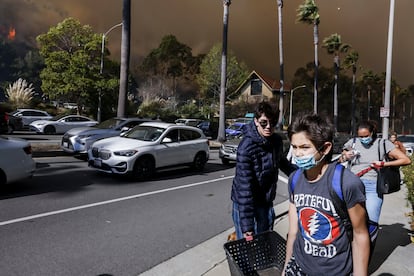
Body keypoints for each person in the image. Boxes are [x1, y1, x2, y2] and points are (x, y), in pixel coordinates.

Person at [283, 113, 370, 276]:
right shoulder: (294, 179)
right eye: (294, 147)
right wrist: (286, 268)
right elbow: (293, 231)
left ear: (325, 148)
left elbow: (360, 235)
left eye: (305, 147)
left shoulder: (347, 183)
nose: (298, 154)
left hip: (335, 271)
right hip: (299, 267)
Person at [231, 101, 297, 240]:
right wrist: (247, 226)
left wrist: (303, 175)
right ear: (255, 121)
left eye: (272, 123)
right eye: (264, 123)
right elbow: (244, 189)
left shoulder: (276, 141)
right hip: (246, 204)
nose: (268, 127)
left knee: (265, 240)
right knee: (247, 246)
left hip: (266, 201)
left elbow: (283, 163)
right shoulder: (246, 147)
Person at [338, 121, 411, 247]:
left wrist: (383, 164)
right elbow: (341, 158)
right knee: (348, 221)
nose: (363, 139)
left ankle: (367, 253)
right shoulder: (353, 142)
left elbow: (405, 160)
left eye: (366, 136)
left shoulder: (383, 143)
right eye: (360, 136)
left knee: (371, 221)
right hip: (353, 184)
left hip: (372, 186)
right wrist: (346, 156)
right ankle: (349, 251)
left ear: (372, 133)